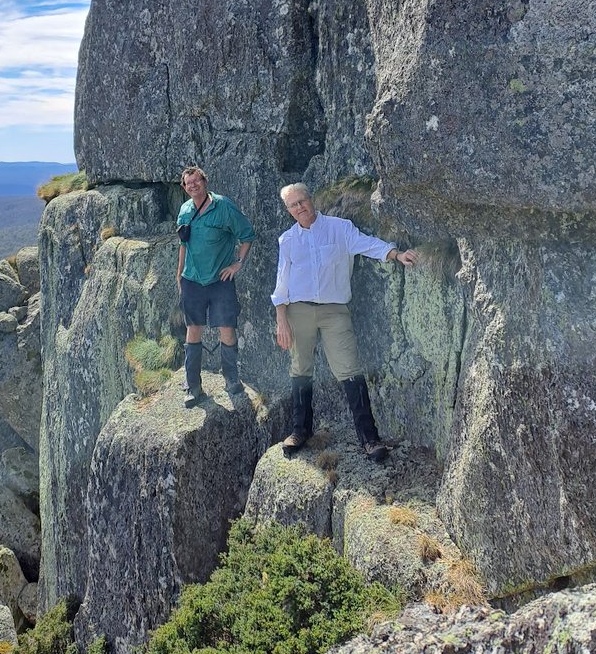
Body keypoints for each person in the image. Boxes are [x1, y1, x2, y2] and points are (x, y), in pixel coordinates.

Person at [271, 182, 419, 461]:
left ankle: (370, 439)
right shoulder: (287, 240)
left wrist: (396, 254)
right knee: (300, 368)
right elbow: (282, 283)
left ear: (310, 199)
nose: (299, 208)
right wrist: (282, 320)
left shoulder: (340, 228)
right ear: (288, 210)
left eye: (302, 201)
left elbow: (367, 244)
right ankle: (300, 431)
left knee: (350, 369)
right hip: (298, 311)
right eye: (293, 205)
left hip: (334, 310)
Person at [176, 165, 257, 407]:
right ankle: (193, 386)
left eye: (196, 181)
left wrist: (237, 265)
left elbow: (247, 235)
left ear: (205, 181)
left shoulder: (224, 206)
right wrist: (179, 274)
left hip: (220, 281)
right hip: (192, 280)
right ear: (184, 187)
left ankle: (231, 379)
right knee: (193, 330)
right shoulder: (185, 209)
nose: (192, 186)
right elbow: (183, 243)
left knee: (227, 329)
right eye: (188, 183)